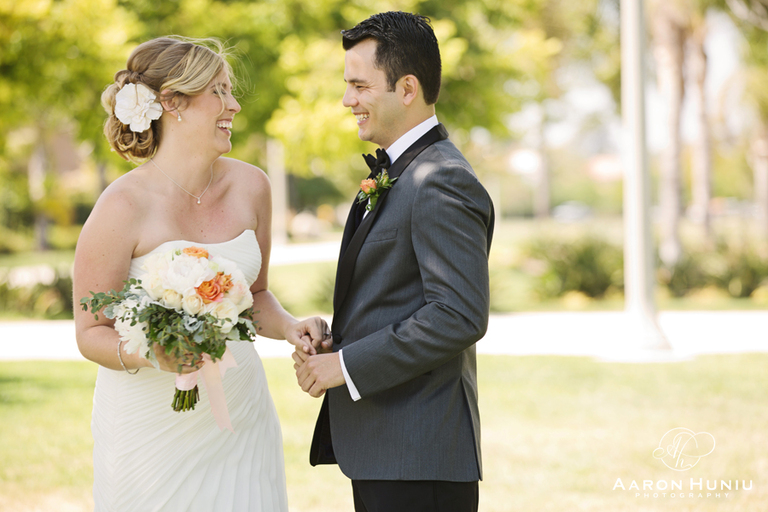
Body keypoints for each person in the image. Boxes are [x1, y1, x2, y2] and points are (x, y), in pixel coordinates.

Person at [73, 36, 327, 511]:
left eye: (230, 91)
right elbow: (90, 332)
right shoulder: (121, 206)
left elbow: (255, 296)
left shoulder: (252, 186)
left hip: (240, 418)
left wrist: (292, 328)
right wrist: (155, 352)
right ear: (173, 103)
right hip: (149, 432)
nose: (234, 105)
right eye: (219, 91)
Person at [292, 12, 495, 512]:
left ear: (407, 88)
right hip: (389, 451)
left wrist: (345, 366)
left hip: (418, 455)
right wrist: (336, 343)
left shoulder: (440, 179)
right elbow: (396, 295)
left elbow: (458, 315)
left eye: (359, 86)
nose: (347, 100)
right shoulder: (404, 172)